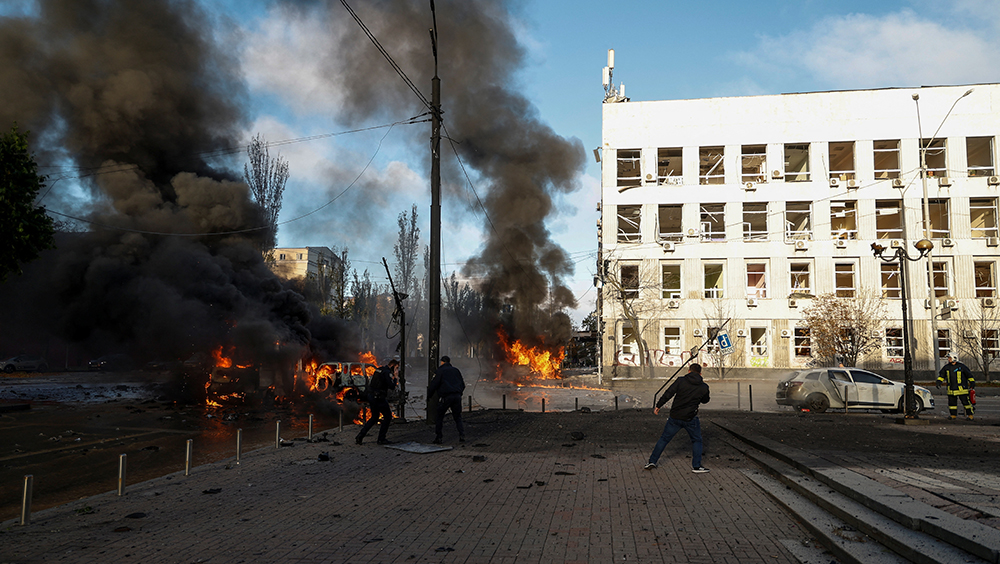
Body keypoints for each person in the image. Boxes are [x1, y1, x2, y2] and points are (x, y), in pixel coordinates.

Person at [645, 363, 711, 473]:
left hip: (675, 417)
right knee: (697, 440)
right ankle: (696, 466)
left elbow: (668, 393)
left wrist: (658, 405)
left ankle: (652, 461)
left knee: (664, 439)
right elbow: (705, 400)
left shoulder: (681, 381)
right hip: (691, 418)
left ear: (689, 371)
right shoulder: (704, 387)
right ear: (700, 373)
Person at [355, 359, 398, 445]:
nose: (397, 370)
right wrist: (396, 378)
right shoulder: (387, 372)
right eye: (396, 368)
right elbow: (392, 386)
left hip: (371, 396)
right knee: (388, 416)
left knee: (374, 417)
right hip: (379, 398)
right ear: (392, 366)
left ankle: (360, 436)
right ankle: (381, 439)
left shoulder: (379, 369)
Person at [428, 355, 465, 444]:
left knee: (439, 417)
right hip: (457, 397)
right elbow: (462, 384)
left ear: (442, 362)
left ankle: (439, 437)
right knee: (457, 417)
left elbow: (434, 385)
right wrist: (459, 393)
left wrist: (429, 396)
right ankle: (462, 435)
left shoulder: (440, 371)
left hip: (446, 397)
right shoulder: (456, 370)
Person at [937, 353, 975, 420]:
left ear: (954, 358)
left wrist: (972, 382)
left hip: (961, 389)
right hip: (951, 389)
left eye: (950, 358)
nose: (948, 359)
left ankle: (970, 415)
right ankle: (953, 415)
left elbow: (969, 375)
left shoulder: (962, 367)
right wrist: (939, 382)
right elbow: (942, 375)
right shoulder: (946, 367)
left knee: (966, 403)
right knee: (952, 404)